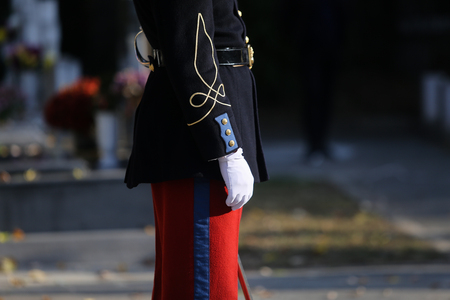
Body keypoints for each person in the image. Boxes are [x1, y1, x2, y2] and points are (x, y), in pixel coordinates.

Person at [125, 0, 269, 299]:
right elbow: (192, 55)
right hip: (198, 143)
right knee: (202, 285)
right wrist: (226, 147)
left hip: (193, 135)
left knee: (189, 280)